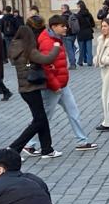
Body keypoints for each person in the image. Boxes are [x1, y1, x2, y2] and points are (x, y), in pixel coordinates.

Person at [36, 15, 98, 153]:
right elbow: (46, 66)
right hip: (53, 87)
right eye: (63, 26)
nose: (66, 28)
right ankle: (30, 142)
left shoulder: (57, 39)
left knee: (73, 111)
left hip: (62, 84)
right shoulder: (47, 42)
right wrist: (55, 86)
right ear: (54, 27)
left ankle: (82, 140)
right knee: (45, 116)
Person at [6, 16, 63, 158]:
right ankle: (14, 148)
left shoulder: (15, 47)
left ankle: (47, 149)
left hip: (25, 88)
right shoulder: (28, 50)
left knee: (41, 119)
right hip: (32, 87)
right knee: (38, 120)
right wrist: (56, 47)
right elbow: (47, 59)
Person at [75, 0, 96, 66]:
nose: (77, 8)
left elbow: (76, 25)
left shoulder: (77, 15)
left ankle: (80, 62)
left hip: (80, 33)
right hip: (88, 33)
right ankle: (90, 62)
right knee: (89, 49)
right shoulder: (88, 14)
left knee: (81, 49)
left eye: (77, 7)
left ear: (80, 7)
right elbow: (93, 24)